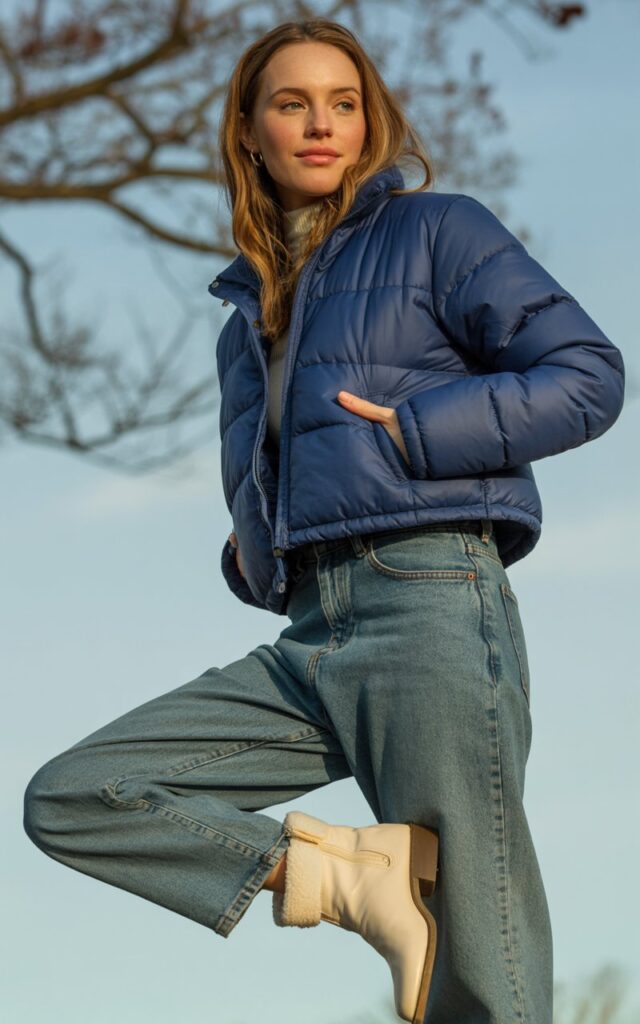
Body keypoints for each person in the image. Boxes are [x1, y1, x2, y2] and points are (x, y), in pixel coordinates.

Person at [23, 17, 625, 1024]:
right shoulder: (245, 319)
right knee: (79, 792)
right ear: (248, 131)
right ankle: (351, 884)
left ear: (371, 122)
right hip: (309, 633)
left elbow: (586, 377)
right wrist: (255, 543)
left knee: (483, 965)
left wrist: (417, 433)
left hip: (431, 597)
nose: (321, 124)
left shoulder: (438, 232)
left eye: (343, 103)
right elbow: (282, 479)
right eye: (292, 103)